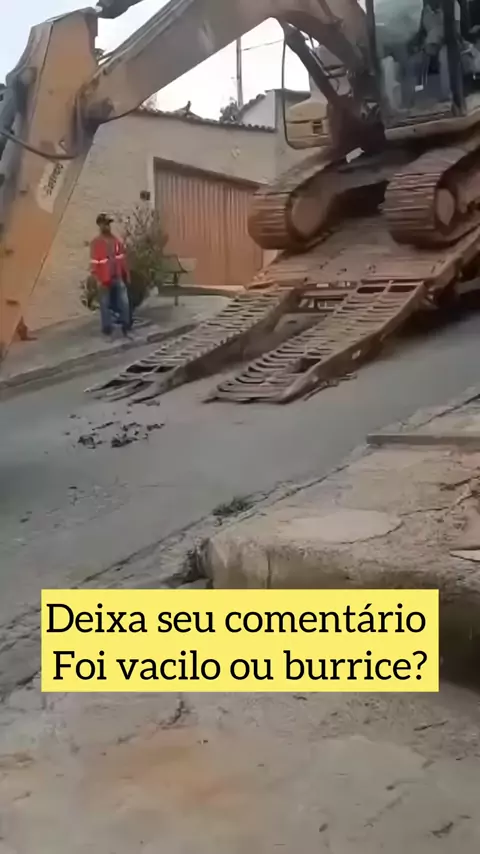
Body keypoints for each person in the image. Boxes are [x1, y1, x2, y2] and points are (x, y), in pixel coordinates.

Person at [90, 213, 133, 337]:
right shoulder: (96, 243)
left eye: (108, 224)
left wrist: (127, 275)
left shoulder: (116, 241)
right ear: (100, 225)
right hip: (104, 278)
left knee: (124, 301)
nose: (107, 226)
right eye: (105, 224)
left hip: (117, 276)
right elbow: (94, 263)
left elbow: (122, 259)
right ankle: (107, 328)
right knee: (105, 303)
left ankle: (126, 324)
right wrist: (96, 278)